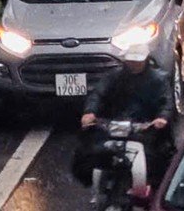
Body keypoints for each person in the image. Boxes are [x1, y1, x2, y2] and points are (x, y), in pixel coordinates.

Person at [74, 44, 175, 188]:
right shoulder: (114, 77)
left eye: (137, 61)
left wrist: (162, 118)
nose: (134, 64)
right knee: (90, 150)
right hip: (115, 124)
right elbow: (98, 94)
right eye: (131, 61)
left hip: (146, 127)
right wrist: (90, 112)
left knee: (158, 160)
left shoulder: (159, 80)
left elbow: (166, 102)